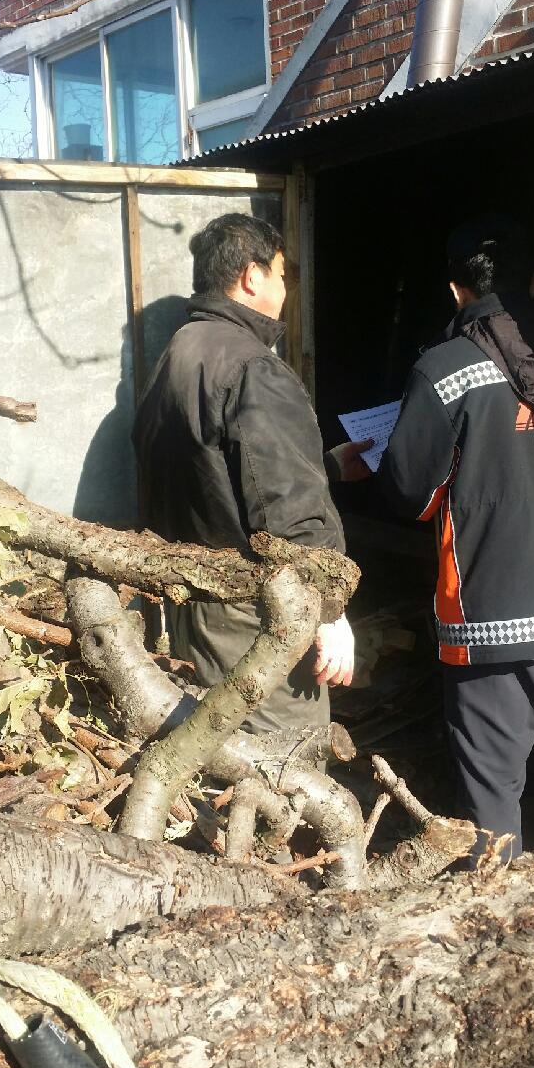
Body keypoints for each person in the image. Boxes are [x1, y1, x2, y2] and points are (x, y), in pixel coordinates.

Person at [377, 216, 534, 860]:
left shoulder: (445, 370)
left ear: (455, 290)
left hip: (490, 617)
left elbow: (410, 492)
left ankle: (503, 907)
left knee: (495, 792)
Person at [133, 212, 369, 736]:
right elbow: (288, 513)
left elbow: (213, 473)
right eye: (281, 275)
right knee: (284, 761)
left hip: (190, 606)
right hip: (255, 616)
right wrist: (328, 612)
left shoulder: (176, 355)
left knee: (216, 753)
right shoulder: (253, 367)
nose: (285, 289)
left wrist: (328, 466)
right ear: (251, 276)